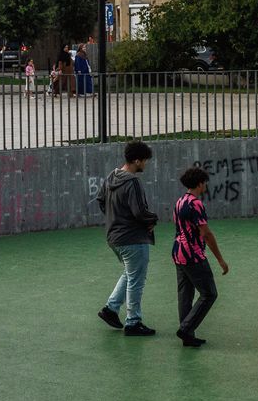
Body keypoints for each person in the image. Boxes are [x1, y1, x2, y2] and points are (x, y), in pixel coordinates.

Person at [96, 140, 158, 336]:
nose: (145, 165)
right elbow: (140, 212)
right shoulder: (132, 182)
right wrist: (153, 218)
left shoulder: (111, 177)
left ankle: (111, 308)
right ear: (136, 160)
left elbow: (100, 200)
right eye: (145, 161)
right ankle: (133, 322)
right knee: (136, 280)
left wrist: (115, 218)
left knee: (130, 274)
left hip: (114, 237)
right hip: (133, 238)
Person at [172, 166, 229, 348]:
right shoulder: (196, 204)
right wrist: (220, 259)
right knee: (209, 293)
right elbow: (206, 233)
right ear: (199, 183)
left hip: (178, 253)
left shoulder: (180, 201)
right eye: (204, 182)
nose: (206, 185)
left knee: (185, 295)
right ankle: (186, 328)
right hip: (193, 255)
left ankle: (187, 334)